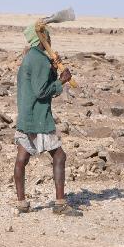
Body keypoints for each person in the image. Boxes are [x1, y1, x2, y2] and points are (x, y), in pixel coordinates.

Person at [12, 23, 80, 216]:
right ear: (43, 39)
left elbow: (39, 83)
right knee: (59, 156)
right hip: (38, 117)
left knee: (22, 159)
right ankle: (60, 204)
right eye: (48, 37)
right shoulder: (38, 60)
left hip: (27, 115)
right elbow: (42, 91)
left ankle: (22, 203)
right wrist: (62, 80)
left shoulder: (32, 57)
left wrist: (53, 69)